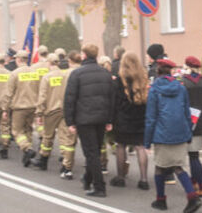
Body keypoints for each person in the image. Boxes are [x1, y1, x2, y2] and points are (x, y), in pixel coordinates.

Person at [144, 59, 201, 213]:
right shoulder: (180, 88)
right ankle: (190, 196)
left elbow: (151, 117)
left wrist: (147, 141)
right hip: (180, 132)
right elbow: (186, 113)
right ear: (170, 71)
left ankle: (163, 199)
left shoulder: (154, 89)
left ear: (157, 71)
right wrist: (189, 133)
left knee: (160, 166)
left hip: (162, 134)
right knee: (176, 165)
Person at [63, 43, 115, 197]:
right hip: (101, 118)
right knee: (96, 151)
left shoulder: (77, 74)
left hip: (84, 119)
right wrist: (109, 120)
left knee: (91, 153)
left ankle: (99, 187)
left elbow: (70, 99)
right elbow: (111, 98)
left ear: (84, 55)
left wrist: (70, 121)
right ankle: (87, 179)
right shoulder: (105, 73)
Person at [110, 52, 149, 190]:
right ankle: (144, 179)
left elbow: (114, 102)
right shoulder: (143, 78)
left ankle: (120, 177)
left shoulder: (118, 81)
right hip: (140, 117)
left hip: (123, 118)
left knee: (121, 146)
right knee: (140, 147)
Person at [181, 56, 202, 197]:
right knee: (194, 154)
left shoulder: (184, 83)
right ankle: (194, 182)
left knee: (193, 156)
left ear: (187, 67)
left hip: (188, 122)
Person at [32, 54, 69, 171]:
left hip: (51, 111)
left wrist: (39, 113)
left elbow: (42, 97)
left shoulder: (47, 77)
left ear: (48, 63)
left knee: (47, 137)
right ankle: (66, 163)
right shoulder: (66, 76)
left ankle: (43, 160)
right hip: (64, 110)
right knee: (64, 139)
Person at [8, 49, 41, 166]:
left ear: (18, 59)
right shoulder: (35, 73)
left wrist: (5, 109)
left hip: (19, 107)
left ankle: (27, 148)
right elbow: (39, 90)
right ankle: (27, 155)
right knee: (28, 130)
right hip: (33, 106)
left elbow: (9, 93)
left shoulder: (14, 73)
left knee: (17, 131)